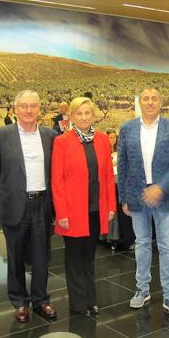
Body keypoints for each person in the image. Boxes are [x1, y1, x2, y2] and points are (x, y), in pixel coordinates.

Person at [117, 87, 169, 318]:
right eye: (145, 99)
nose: (150, 102)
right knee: (142, 244)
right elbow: (123, 166)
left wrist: (160, 187)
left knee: (167, 245)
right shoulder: (127, 128)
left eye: (154, 99)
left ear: (161, 103)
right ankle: (142, 289)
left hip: (164, 196)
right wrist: (124, 198)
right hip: (137, 197)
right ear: (140, 102)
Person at [0, 90, 57, 323]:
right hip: (15, 204)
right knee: (15, 256)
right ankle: (19, 302)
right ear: (15, 109)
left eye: (33, 106)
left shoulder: (50, 135)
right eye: (24, 106)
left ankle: (41, 300)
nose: (28, 110)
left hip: (42, 204)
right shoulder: (1, 135)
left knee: (41, 256)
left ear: (40, 109)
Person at [51, 97, 116, 316]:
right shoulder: (62, 141)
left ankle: (91, 299)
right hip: (72, 210)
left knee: (89, 257)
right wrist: (61, 213)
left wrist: (110, 206)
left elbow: (107, 176)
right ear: (71, 116)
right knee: (74, 258)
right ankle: (78, 303)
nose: (84, 117)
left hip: (95, 208)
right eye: (79, 113)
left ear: (93, 115)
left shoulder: (101, 140)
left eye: (87, 113)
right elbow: (56, 180)